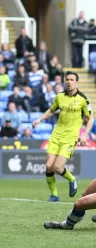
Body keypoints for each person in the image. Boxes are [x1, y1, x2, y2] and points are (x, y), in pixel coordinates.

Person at [32, 71, 94, 202]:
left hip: (70, 138)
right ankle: (54, 195)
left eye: (72, 80)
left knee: (58, 167)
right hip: (56, 135)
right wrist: (39, 119)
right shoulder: (59, 96)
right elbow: (52, 110)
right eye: (67, 79)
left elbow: (90, 118)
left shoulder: (83, 99)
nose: (69, 82)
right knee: (49, 166)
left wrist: (85, 135)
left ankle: (72, 179)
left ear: (77, 82)